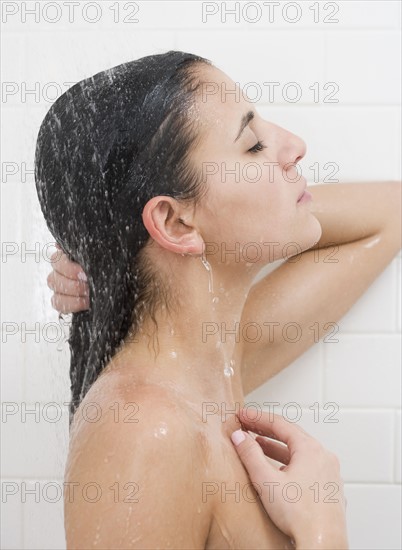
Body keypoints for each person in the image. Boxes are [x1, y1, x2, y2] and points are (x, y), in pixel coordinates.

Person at [36, 50, 401, 549]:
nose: (294, 146)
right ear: (175, 222)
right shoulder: (143, 429)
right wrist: (322, 533)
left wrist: (111, 254)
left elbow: (392, 212)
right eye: (252, 145)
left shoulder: (213, 365)